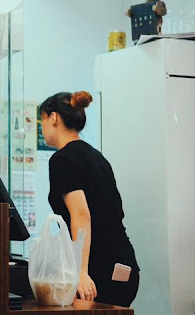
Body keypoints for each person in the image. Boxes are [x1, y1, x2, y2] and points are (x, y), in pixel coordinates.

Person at [39, 91, 139, 307]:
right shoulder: (97, 157)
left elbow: (81, 214)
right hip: (123, 264)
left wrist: (80, 271)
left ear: (53, 117)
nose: (42, 127)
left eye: (42, 120)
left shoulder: (62, 160)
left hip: (98, 270)